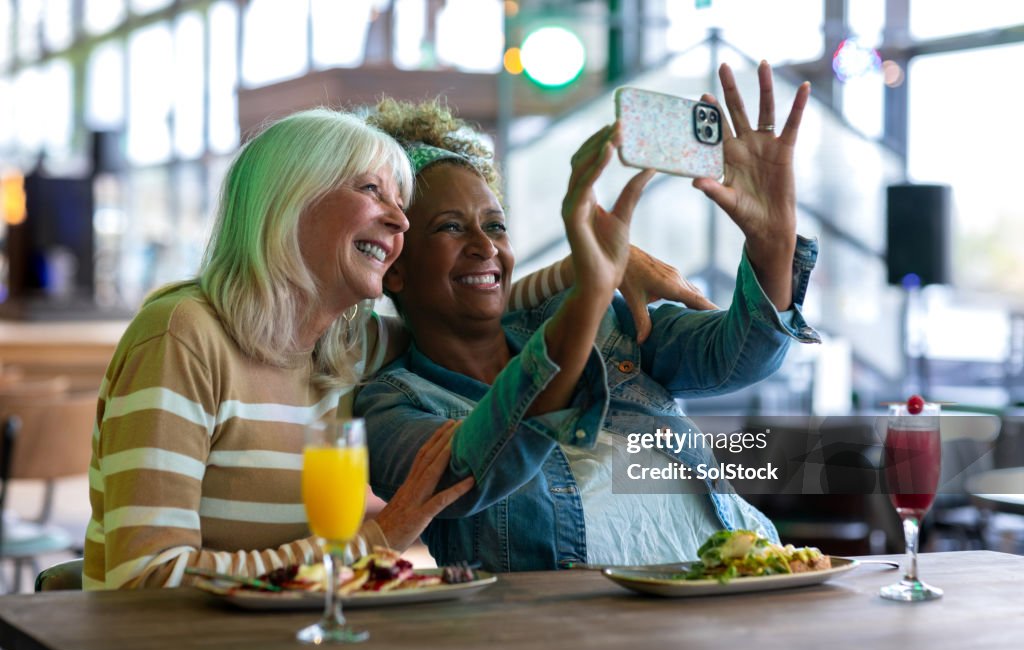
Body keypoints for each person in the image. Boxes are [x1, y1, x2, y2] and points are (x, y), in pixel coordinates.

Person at [84, 107, 702, 590]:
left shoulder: (348, 346)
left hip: (300, 641)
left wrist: (589, 271)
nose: (400, 223)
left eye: (401, 206)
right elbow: (146, 579)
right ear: (290, 198)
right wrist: (378, 540)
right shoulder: (185, 333)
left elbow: (478, 306)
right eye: (372, 192)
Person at [356, 61, 821, 571]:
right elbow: (474, 470)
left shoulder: (601, 325)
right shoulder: (391, 407)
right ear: (393, 266)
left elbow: (736, 358)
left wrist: (773, 243)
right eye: (450, 228)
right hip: (576, 635)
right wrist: (590, 290)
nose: (486, 246)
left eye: (496, 225)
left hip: (745, 576)